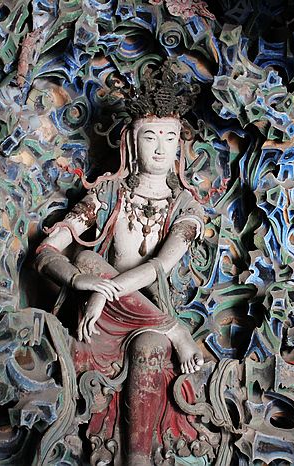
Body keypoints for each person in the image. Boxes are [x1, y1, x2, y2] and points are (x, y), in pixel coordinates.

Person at [34, 66, 206, 464]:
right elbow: (46, 251)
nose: (160, 148)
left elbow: (160, 265)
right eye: (150, 136)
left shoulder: (187, 208)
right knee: (87, 258)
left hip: (149, 311)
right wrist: (82, 283)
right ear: (131, 140)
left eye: (170, 137)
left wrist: (106, 292)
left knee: (151, 347)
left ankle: (137, 458)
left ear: (180, 145)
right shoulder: (107, 194)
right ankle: (174, 330)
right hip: (102, 313)